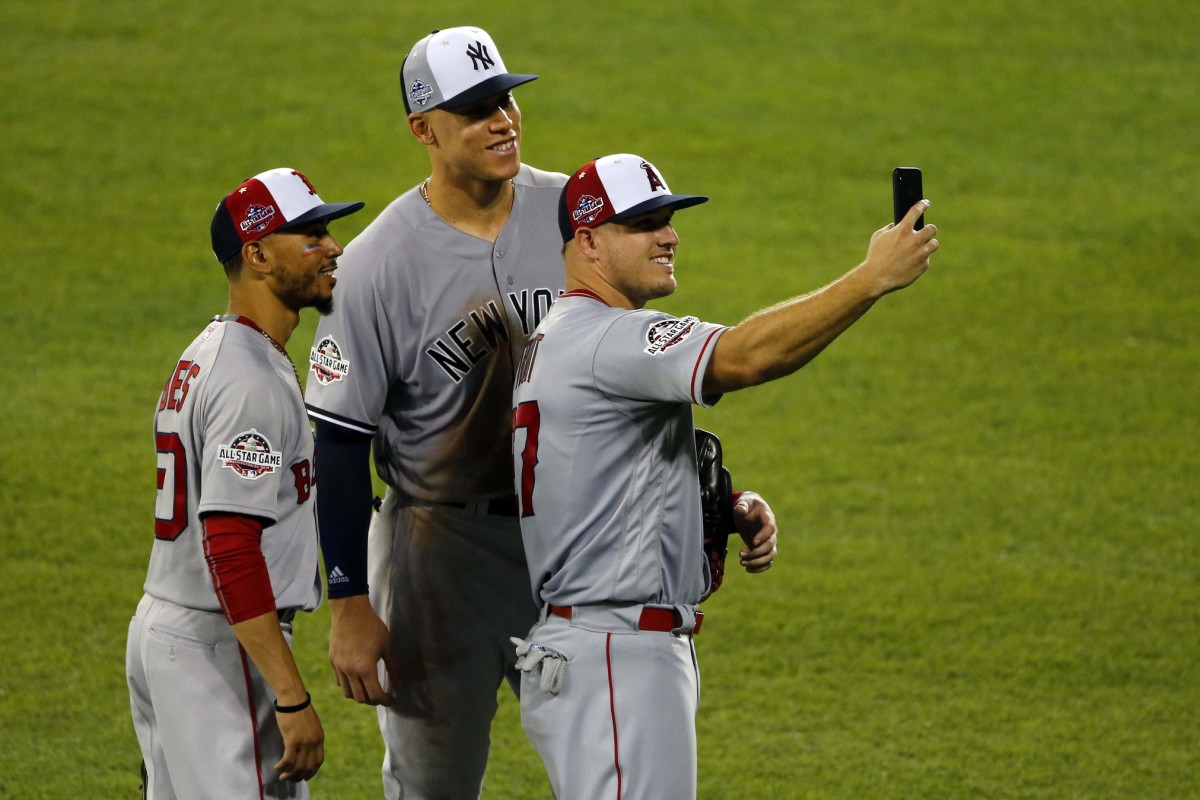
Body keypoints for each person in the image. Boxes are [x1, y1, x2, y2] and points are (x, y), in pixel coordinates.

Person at [303, 26, 779, 799]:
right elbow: (339, 439)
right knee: (433, 782)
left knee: (605, 769)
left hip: (570, 545)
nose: (504, 120)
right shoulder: (376, 263)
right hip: (439, 551)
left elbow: (640, 367)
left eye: (507, 98)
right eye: (475, 109)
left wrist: (722, 501)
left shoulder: (577, 216)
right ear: (423, 129)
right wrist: (350, 600)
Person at [510, 153, 939, 798]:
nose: (670, 235)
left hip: (598, 647)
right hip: (614, 655)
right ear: (590, 241)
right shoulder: (606, 338)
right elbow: (745, 356)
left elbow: (590, 478)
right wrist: (869, 278)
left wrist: (718, 503)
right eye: (645, 222)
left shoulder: (562, 336)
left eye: (670, 219)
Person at [126, 167, 363, 799]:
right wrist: (290, 697)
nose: (334, 247)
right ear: (257, 254)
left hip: (173, 629)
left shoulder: (211, 349)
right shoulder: (250, 381)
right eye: (311, 235)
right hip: (219, 645)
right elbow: (230, 544)